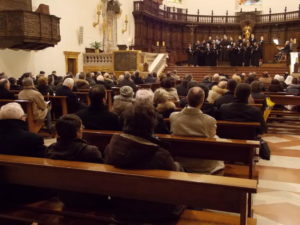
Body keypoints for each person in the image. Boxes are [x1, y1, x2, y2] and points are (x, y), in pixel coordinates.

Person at [104, 101, 183, 222]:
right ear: (152, 125)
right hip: (153, 212)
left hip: (121, 207)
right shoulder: (160, 156)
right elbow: (172, 187)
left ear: (126, 122)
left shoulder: (111, 147)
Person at [170, 87, 224, 174]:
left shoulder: (173, 116)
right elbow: (212, 138)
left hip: (181, 161)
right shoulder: (210, 120)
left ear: (187, 98)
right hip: (204, 164)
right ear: (203, 100)